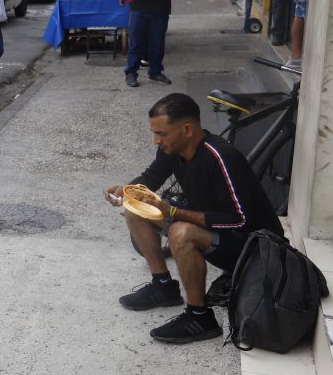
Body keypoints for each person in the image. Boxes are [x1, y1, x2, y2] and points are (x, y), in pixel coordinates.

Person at [103, 93, 284, 343]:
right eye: (154, 133)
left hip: (252, 246)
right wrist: (126, 190)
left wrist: (174, 213)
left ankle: (200, 316)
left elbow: (240, 220)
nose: (156, 140)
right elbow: (151, 177)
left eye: (162, 134)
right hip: (219, 231)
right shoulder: (172, 151)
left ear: (187, 129)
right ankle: (163, 285)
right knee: (135, 207)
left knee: (181, 232)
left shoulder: (222, 157)